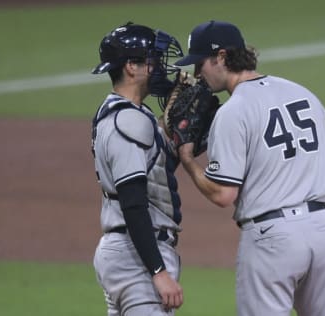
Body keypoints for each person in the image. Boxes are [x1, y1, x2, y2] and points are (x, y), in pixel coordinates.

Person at [174, 20, 325, 316]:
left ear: (222, 56)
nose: (198, 74)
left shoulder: (233, 111)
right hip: (322, 229)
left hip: (272, 238)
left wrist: (188, 161)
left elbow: (224, 194)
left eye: (201, 63)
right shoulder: (304, 95)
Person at [90, 22, 185, 315]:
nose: (160, 68)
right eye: (153, 61)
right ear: (132, 66)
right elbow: (133, 203)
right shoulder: (127, 123)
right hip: (137, 258)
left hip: (127, 253)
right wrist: (157, 271)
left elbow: (156, 174)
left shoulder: (125, 114)